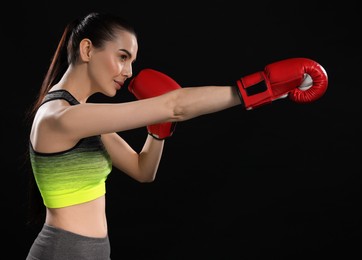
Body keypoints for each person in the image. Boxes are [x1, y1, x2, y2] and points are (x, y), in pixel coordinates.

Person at [24, 11, 328, 260]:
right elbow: (175, 105)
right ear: (87, 49)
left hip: (92, 251)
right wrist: (260, 87)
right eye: (122, 57)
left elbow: (143, 171)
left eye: (131, 61)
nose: (128, 71)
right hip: (64, 253)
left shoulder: (82, 116)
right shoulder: (61, 118)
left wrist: (157, 133)